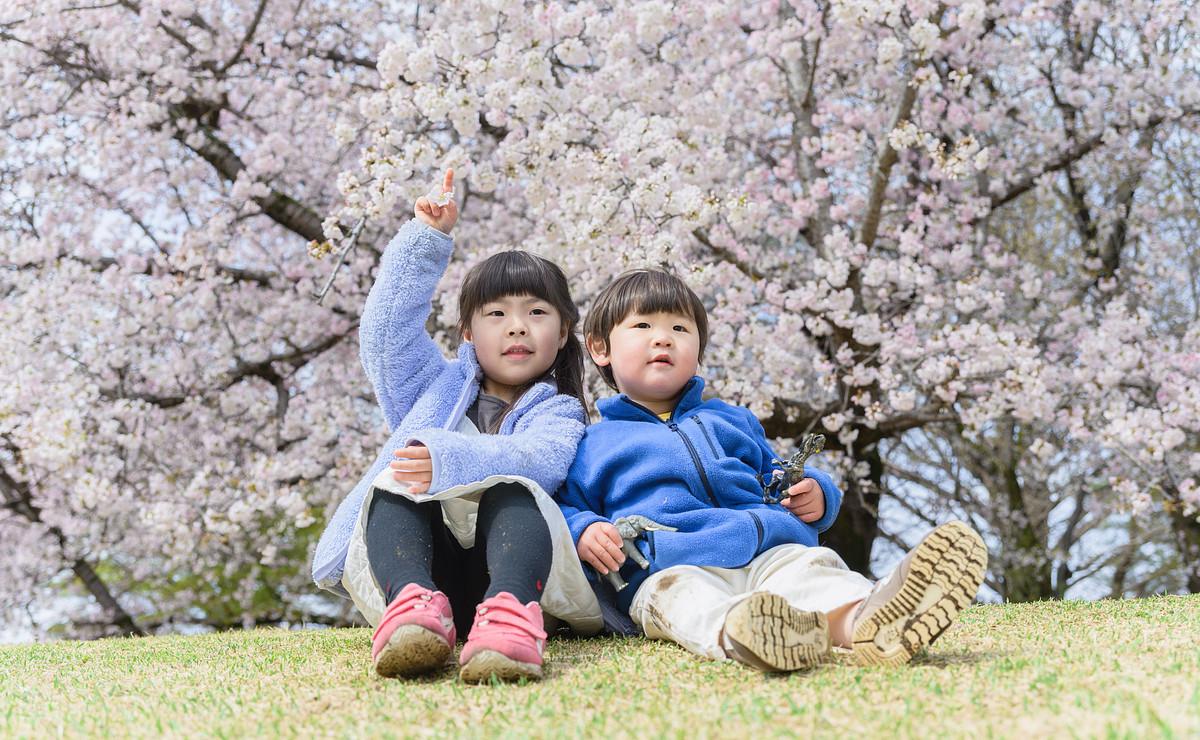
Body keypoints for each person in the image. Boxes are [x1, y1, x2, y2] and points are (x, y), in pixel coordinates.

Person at [556, 269, 987, 672]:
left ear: (699, 350)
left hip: (768, 549)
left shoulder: (732, 419)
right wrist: (584, 530)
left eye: (680, 329)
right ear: (600, 348)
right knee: (683, 600)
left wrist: (816, 492)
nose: (663, 339)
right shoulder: (592, 443)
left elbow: (776, 476)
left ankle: (867, 620)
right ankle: (747, 633)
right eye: (643, 325)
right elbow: (564, 507)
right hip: (671, 562)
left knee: (812, 570)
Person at [312, 169, 601, 683]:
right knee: (394, 483)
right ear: (467, 331)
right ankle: (412, 610)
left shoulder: (559, 410)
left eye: (537, 312)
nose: (517, 326)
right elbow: (385, 336)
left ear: (562, 335)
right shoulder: (434, 389)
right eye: (497, 314)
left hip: (515, 575)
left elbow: (539, 460)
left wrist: (448, 459)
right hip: (430, 572)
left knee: (514, 489)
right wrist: (426, 240)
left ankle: (509, 618)